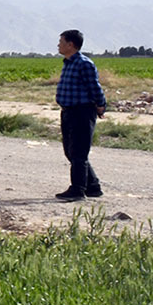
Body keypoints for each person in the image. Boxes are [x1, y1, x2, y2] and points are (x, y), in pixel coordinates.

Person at [54, 29, 107, 202]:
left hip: (82, 112)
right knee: (71, 151)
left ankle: (77, 189)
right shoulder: (68, 63)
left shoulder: (84, 64)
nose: (58, 45)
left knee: (78, 152)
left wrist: (101, 106)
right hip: (68, 111)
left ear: (71, 44)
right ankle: (93, 186)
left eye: (61, 42)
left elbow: (94, 87)